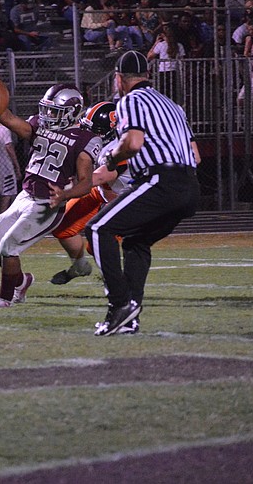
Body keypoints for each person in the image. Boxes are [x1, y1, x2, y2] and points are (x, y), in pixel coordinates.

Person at [85, 50, 200, 336]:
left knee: (98, 228)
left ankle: (120, 304)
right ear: (147, 74)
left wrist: (112, 158)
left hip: (161, 180)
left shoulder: (131, 100)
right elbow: (196, 155)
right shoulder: (172, 105)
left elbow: (133, 143)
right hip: (189, 185)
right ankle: (129, 319)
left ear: (119, 78)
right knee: (136, 241)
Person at [0, 82, 99, 308]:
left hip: (48, 203)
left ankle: (6, 298)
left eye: (55, 111)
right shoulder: (40, 125)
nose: (48, 115)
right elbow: (7, 118)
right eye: (47, 109)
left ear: (73, 112)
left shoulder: (84, 139)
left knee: (8, 247)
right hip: (25, 196)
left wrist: (65, 195)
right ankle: (21, 282)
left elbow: (86, 183)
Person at [48, 101, 126, 287]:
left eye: (93, 130)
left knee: (97, 243)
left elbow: (98, 177)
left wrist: (66, 192)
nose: (87, 133)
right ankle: (79, 266)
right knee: (60, 225)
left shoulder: (121, 148)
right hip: (102, 191)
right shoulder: (100, 143)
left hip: (123, 201)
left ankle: (115, 282)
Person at [146, 24, 185, 102]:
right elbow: (182, 59)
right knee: (174, 95)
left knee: (163, 95)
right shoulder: (179, 45)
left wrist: (155, 43)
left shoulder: (161, 45)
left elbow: (149, 56)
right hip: (174, 72)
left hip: (163, 72)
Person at [0, 121, 20, 214]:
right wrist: (16, 165)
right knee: (8, 192)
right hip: (6, 165)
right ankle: (3, 215)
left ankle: (7, 214)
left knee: (3, 192)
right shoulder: (5, 130)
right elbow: (9, 146)